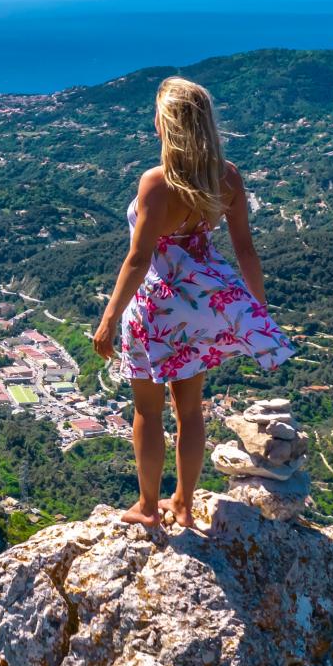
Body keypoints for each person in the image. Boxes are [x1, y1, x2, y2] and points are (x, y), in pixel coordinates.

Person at [92, 77, 295, 528]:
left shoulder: (156, 183)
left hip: (160, 308)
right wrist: (255, 318)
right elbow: (245, 250)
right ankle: (182, 504)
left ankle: (147, 507)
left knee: (147, 410)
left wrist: (108, 319)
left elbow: (140, 258)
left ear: (168, 124)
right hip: (203, 305)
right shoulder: (227, 176)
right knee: (190, 410)